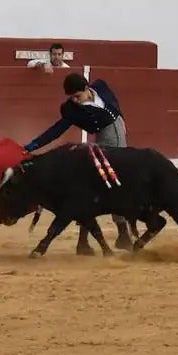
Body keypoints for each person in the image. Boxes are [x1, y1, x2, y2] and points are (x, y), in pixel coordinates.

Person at [21, 72, 132, 250]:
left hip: (117, 132)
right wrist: (33, 145)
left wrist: (121, 118)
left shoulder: (101, 86)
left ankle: (107, 237)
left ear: (87, 89)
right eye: (71, 97)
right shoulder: (71, 110)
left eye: (77, 96)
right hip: (106, 139)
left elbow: (114, 102)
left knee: (107, 185)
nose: (75, 100)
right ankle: (119, 235)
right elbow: (56, 130)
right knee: (110, 185)